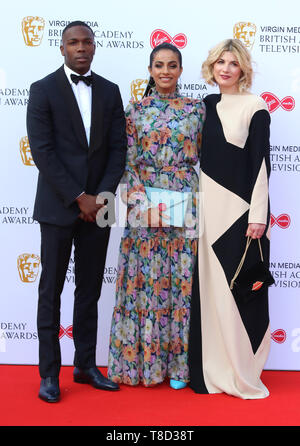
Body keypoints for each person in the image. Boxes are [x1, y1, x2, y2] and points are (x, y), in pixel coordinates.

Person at [26, 21, 127, 402]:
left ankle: (85, 365)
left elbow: (118, 149)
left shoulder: (110, 91)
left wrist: (101, 196)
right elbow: (43, 152)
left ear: (95, 47)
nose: (80, 47)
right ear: (62, 47)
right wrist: (78, 197)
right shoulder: (43, 90)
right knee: (50, 291)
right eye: (73, 42)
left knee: (90, 290)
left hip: (100, 207)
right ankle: (49, 374)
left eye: (86, 42)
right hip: (58, 206)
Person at [107, 43, 205, 389]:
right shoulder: (134, 111)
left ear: (181, 70)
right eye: (159, 65)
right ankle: (142, 365)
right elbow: (126, 160)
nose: (165, 71)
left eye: (172, 65)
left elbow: (211, 160)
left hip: (185, 201)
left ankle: (179, 367)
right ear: (150, 69)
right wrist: (140, 202)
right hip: (144, 201)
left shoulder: (197, 110)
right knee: (144, 281)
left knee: (181, 282)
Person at [188, 39, 271, 399]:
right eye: (220, 62)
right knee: (210, 291)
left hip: (240, 214)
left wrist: (258, 215)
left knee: (239, 293)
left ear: (242, 70)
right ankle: (210, 369)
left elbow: (261, 163)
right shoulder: (205, 105)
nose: (225, 68)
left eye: (233, 63)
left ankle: (242, 370)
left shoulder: (256, 106)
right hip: (208, 211)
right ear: (212, 66)